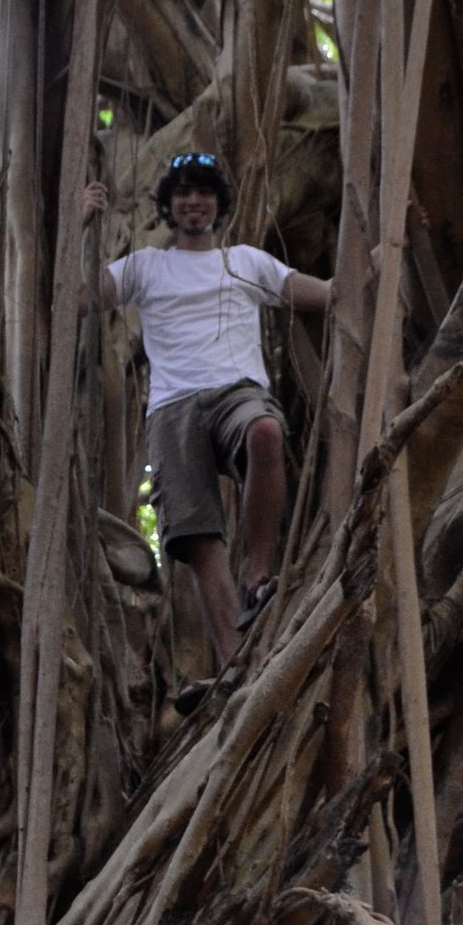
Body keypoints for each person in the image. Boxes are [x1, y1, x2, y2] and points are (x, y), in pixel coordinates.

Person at [84, 150, 331, 667]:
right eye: (183, 194)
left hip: (234, 390)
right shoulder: (147, 266)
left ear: (219, 204)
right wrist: (80, 223)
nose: (193, 202)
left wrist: (379, 251)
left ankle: (256, 567)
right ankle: (234, 664)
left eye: (203, 193)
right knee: (198, 540)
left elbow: (328, 294)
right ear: (168, 207)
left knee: (265, 431)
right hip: (172, 408)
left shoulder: (245, 261)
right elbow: (76, 298)